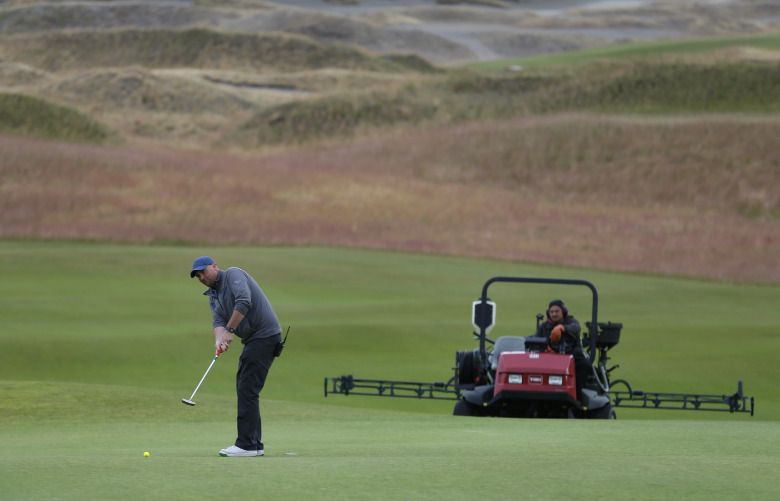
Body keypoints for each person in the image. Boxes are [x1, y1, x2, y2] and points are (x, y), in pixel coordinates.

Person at [190, 255, 282, 457]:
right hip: (254, 340)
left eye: (203, 272)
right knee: (246, 387)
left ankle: (247, 445)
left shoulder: (233, 275)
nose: (202, 278)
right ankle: (254, 444)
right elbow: (218, 322)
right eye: (198, 276)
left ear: (215, 266)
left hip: (265, 336)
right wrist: (219, 340)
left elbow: (244, 301)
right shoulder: (213, 295)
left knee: (247, 388)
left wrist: (230, 331)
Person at [535, 299, 590, 400]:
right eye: (552, 312)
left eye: (557, 311)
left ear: (563, 312)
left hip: (571, 357)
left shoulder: (572, 322)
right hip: (549, 359)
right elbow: (536, 340)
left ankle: (577, 396)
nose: (554, 314)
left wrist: (561, 328)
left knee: (585, 364)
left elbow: (575, 328)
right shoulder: (544, 326)